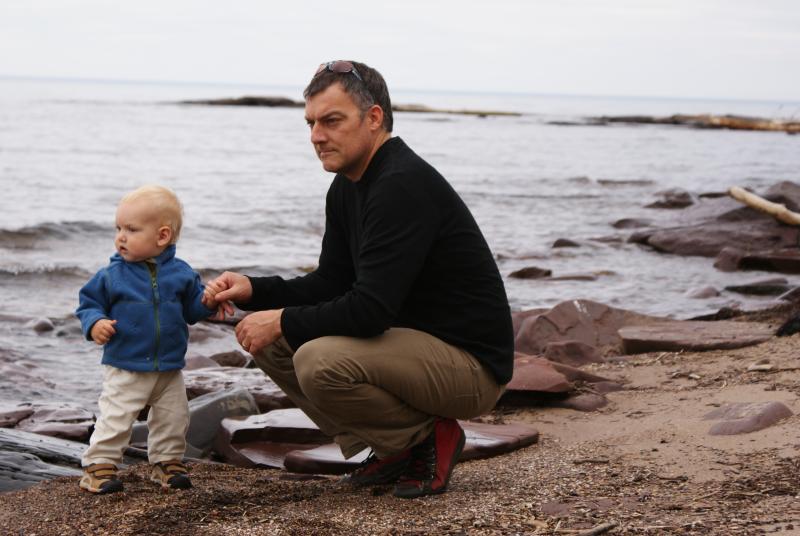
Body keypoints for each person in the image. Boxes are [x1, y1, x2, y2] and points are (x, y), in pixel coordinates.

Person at [204, 60, 514, 498]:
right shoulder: (349, 184)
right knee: (271, 341)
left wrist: (282, 319)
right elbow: (331, 283)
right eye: (311, 123)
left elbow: (370, 311)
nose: (316, 136)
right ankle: (394, 448)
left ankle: (428, 439)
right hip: (412, 350)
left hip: (470, 367)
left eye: (331, 121)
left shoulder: (401, 184)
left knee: (318, 360)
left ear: (373, 118)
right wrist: (256, 290)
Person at [76, 184, 218, 494]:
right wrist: (95, 322)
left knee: (173, 417)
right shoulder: (111, 275)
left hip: (169, 366)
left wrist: (208, 301)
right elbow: (88, 304)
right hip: (126, 365)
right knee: (116, 416)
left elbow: (192, 310)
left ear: (162, 236)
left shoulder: (182, 273)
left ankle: (166, 462)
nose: (121, 237)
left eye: (131, 229)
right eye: (118, 228)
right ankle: (98, 465)